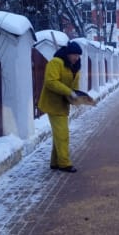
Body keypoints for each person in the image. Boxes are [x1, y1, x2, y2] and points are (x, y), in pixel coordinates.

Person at [38, 41, 83, 173]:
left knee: (59, 133)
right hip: (52, 104)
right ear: (68, 54)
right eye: (74, 54)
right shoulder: (56, 63)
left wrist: (77, 98)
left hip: (63, 105)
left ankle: (55, 162)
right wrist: (69, 92)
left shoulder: (75, 68)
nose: (76, 57)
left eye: (78, 55)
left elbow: (74, 88)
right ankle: (64, 164)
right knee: (63, 134)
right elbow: (50, 82)